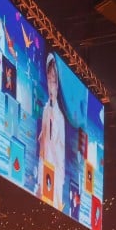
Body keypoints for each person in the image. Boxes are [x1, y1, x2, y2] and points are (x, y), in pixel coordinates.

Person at [37, 52, 67, 211]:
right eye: (49, 80)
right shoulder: (46, 109)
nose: (51, 84)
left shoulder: (60, 117)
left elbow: (58, 151)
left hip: (54, 174)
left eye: (54, 81)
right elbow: (43, 145)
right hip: (45, 170)